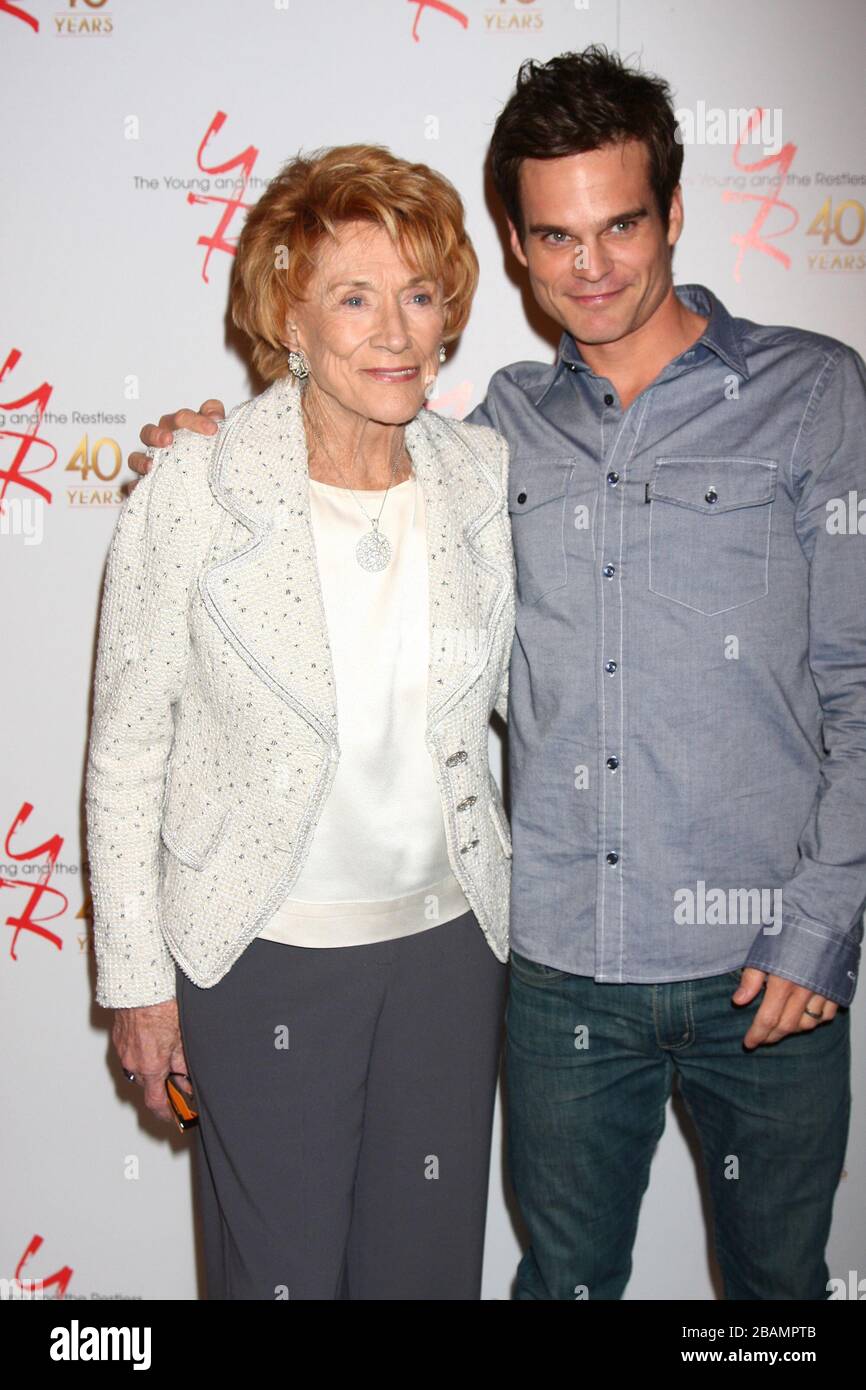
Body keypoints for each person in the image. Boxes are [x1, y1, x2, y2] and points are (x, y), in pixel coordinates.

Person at [131, 49, 866, 1301]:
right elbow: (334, 460)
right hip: (557, 968)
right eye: (555, 236)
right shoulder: (491, 436)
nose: (593, 264)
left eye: (620, 223)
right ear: (519, 251)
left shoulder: (810, 395)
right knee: (556, 1283)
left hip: (765, 969)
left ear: (673, 212)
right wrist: (219, 440)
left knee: (777, 1297)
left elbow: (856, 683)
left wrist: (819, 929)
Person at [87, 143, 516, 1301]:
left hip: (446, 957)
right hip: (264, 962)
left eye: (418, 296)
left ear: (448, 319)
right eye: (354, 296)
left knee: (422, 1280)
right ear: (289, 314)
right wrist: (136, 984)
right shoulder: (195, 487)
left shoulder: (483, 478)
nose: (392, 330)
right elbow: (127, 751)